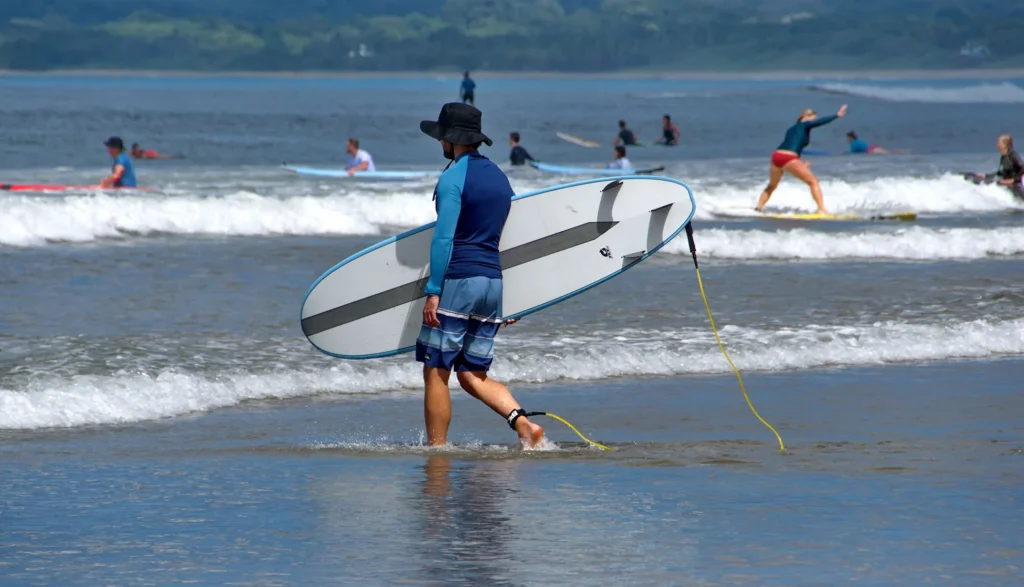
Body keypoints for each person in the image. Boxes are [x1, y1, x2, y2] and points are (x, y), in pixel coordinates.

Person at [416, 102, 545, 448]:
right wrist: (516, 298)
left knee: (436, 369)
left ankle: (437, 450)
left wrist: (433, 290)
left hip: (459, 280)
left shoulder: (452, 177)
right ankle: (524, 426)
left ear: (450, 139)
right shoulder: (500, 178)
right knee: (472, 374)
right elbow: (513, 236)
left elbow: (444, 238)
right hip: (493, 283)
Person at [756, 104, 847, 215]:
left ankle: (758, 208)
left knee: (772, 185)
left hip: (776, 156)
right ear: (804, 117)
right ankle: (822, 210)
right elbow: (819, 123)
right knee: (813, 182)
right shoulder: (804, 125)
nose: (813, 121)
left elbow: (793, 145)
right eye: (812, 118)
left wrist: (799, 163)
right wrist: (836, 116)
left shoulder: (792, 129)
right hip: (789, 158)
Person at [968, 134, 1024, 200]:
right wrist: (986, 175)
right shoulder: (1003, 157)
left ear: (1005, 144)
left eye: (999, 143)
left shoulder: (1013, 155)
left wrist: (1013, 180)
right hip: (1005, 184)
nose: (997, 145)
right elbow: (1000, 173)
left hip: (1015, 186)